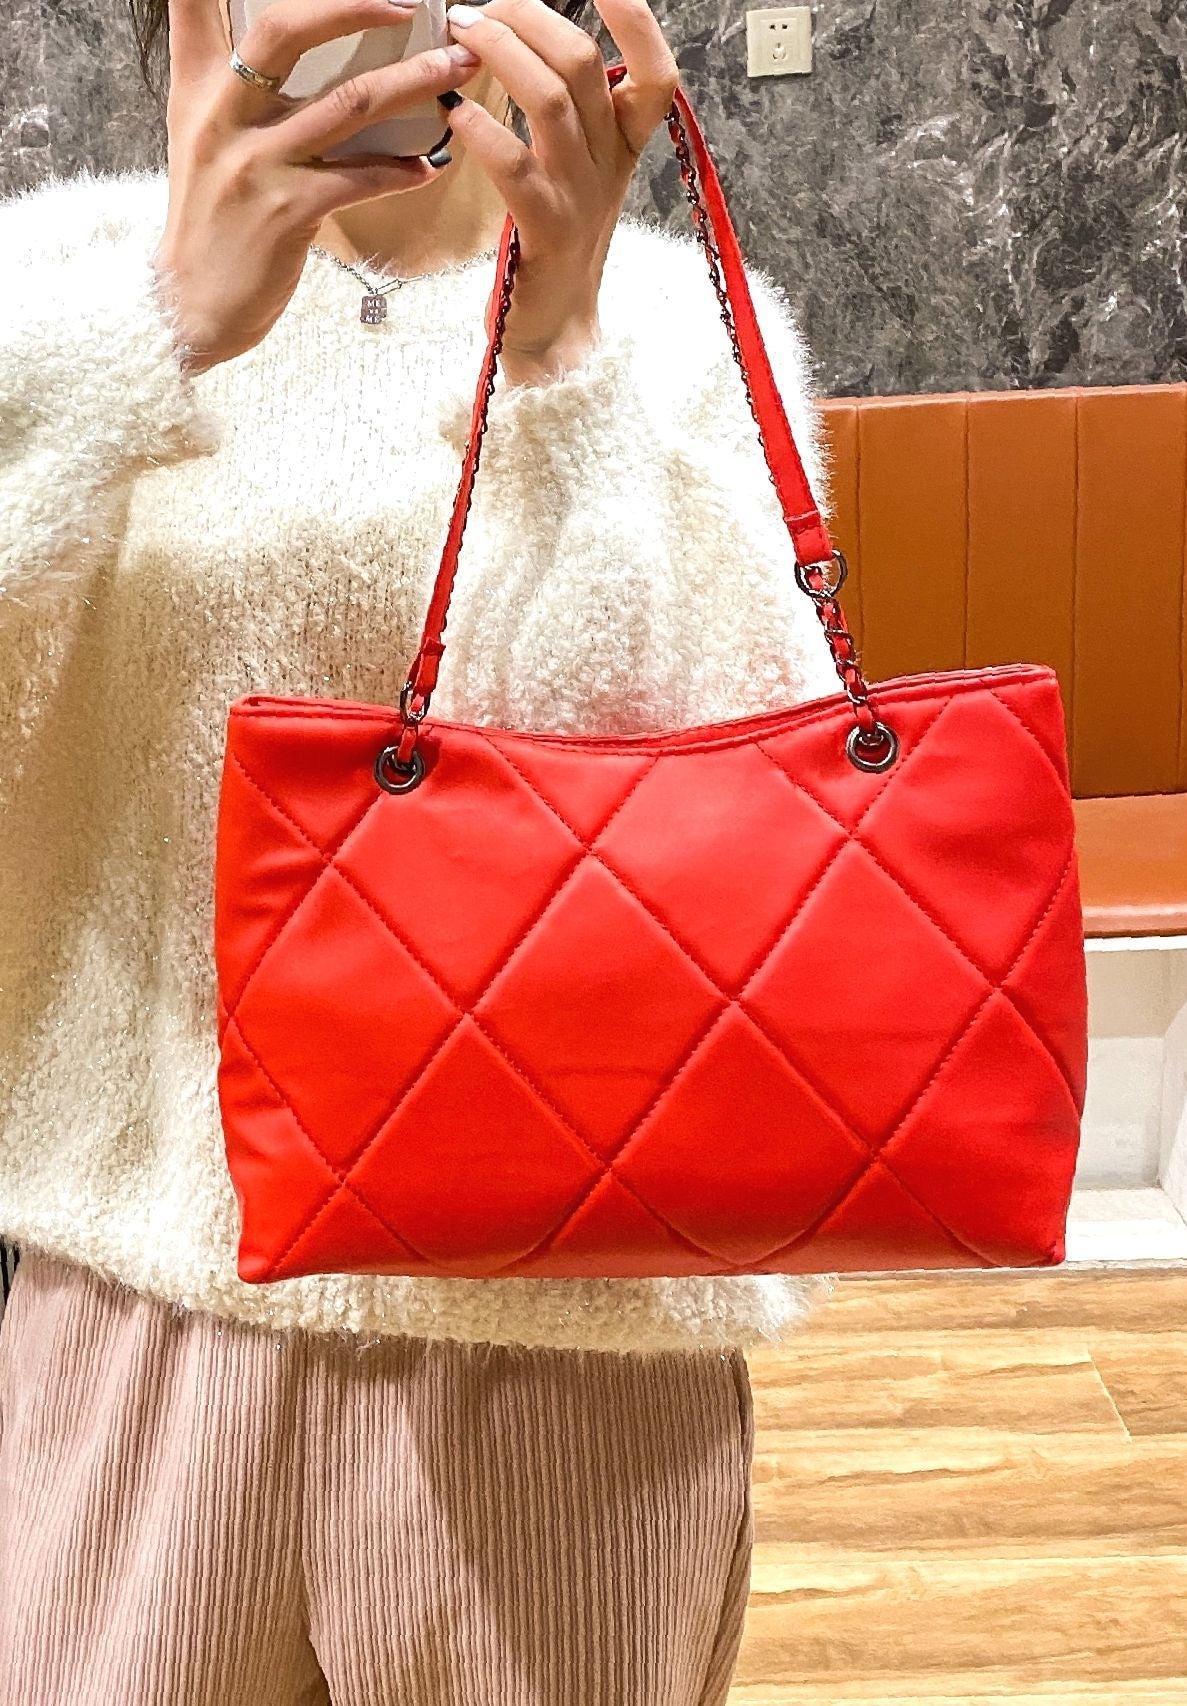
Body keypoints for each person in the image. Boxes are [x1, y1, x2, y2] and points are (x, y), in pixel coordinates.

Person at [0, 0, 841, 1699]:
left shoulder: (677, 327)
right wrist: (147, 339)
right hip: (143, 1297)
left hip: (572, 1340)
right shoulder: (52, 287)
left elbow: (731, 842)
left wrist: (566, 366)